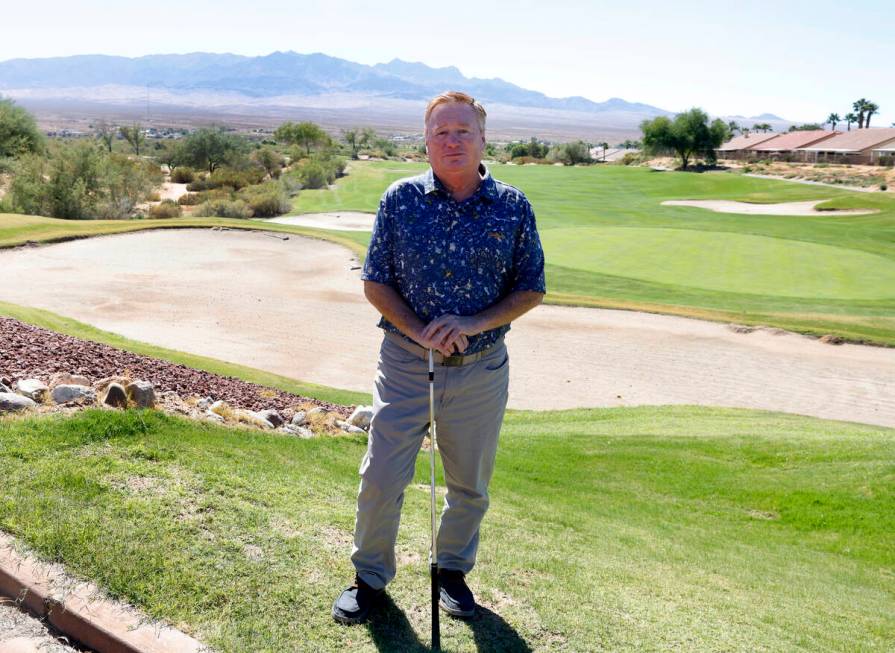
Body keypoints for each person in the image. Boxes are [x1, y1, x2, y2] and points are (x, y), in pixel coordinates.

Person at [332, 91, 546, 625]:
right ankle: (369, 577)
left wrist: (471, 325)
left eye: (463, 131)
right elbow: (375, 282)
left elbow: (531, 288)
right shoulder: (399, 199)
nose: (452, 140)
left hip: (481, 370)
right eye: (441, 132)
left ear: (482, 139)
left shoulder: (513, 206)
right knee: (381, 475)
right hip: (405, 363)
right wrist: (421, 331)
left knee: (469, 485)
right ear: (426, 142)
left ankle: (451, 571)